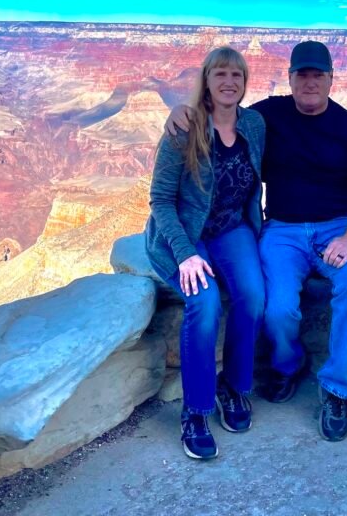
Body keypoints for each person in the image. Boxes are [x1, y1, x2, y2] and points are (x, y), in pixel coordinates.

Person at [167, 40, 347, 442]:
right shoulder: (267, 116)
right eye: (303, 74)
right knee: (277, 307)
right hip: (282, 230)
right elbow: (223, 114)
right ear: (291, 78)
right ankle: (288, 366)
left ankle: (336, 388)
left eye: (319, 75)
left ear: (332, 79)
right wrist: (182, 112)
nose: (310, 82)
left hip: (338, 226)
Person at [145, 46, 266, 460]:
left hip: (232, 228)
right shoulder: (186, 127)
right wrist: (184, 254)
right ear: (207, 81)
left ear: (245, 82)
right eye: (220, 74)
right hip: (186, 232)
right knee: (206, 301)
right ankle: (195, 410)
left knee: (252, 295)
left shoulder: (255, 123)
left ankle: (232, 389)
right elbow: (160, 199)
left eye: (237, 75)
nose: (229, 82)